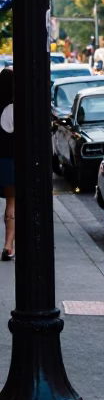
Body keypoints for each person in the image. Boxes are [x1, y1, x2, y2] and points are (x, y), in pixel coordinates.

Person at [0, 67, 14, 259]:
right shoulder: (13, 107)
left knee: (9, 201)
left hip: (1, 159)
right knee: (14, 203)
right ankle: (9, 245)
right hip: (13, 159)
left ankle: (9, 243)